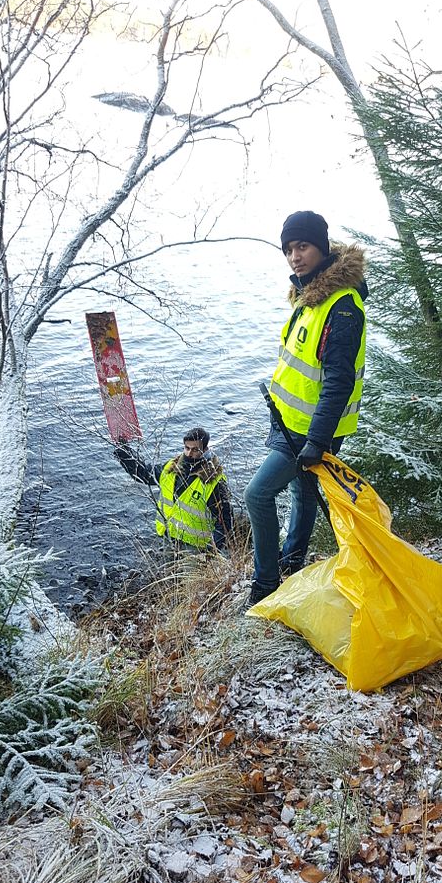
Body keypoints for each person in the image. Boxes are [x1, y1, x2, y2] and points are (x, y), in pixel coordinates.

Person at [244, 210, 367, 605]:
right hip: (289, 421)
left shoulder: (341, 306)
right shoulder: (308, 294)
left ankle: (265, 582)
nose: (295, 256)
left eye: (303, 246)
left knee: (257, 495)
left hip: (309, 428)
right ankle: (291, 561)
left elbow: (338, 380)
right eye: (288, 249)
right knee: (301, 493)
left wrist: (318, 440)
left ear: (322, 247)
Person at [115, 427, 234, 551]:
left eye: (195, 450)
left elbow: (225, 523)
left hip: (196, 548)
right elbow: (143, 474)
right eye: (187, 448)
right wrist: (123, 451)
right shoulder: (170, 468)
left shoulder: (214, 481)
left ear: (205, 450)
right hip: (167, 538)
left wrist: (211, 552)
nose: (189, 453)